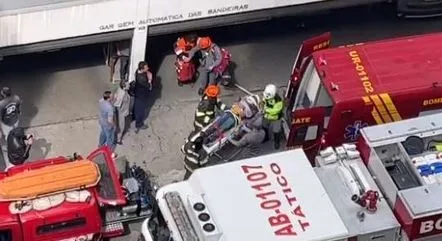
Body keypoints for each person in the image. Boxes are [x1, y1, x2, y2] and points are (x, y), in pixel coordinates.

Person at [262, 84, 284, 149]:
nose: (266, 97)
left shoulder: (278, 100)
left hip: (276, 117)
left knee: (276, 130)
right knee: (264, 126)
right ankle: (266, 137)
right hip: (267, 116)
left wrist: (265, 109)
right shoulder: (266, 95)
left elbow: (275, 111)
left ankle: (277, 142)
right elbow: (264, 101)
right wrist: (262, 105)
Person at [133, 61, 153, 133]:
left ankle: (135, 118)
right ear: (142, 69)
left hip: (138, 93)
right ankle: (139, 124)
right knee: (140, 110)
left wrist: (147, 73)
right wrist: (150, 79)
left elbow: (145, 73)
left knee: (137, 107)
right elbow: (149, 86)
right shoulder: (142, 79)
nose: (148, 68)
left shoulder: (138, 72)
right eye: (146, 67)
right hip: (141, 96)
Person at [113, 80, 131, 144]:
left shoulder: (121, 89)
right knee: (121, 125)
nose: (129, 85)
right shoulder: (122, 95)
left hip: (122, 110)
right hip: (121, 111)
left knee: (119, 124)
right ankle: (118, 139)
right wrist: (123, 112)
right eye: (128, 85)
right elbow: (117, 104)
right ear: (124, 87)